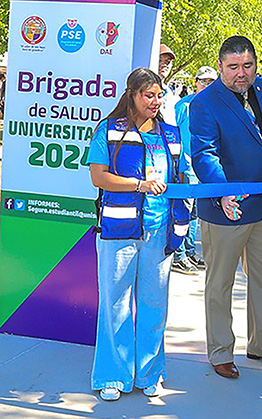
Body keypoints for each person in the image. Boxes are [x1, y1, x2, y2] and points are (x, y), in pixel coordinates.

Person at [190, 35, 262, 380]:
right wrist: (223, 191)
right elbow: (204, 153)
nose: (241, 73)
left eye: (247, 66)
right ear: (220, 66)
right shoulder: (204, 102)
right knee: (220, 282)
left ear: (256, 65)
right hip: (227, 208)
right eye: (233, 67)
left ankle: (261, 344)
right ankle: (220, 350)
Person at [88, 68, 190, 401]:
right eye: (148, 95)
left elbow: (183, 177)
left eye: (159, 95)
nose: (155, 101)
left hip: (160, 233)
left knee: (153, 304)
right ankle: (112, 376)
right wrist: (139, 185)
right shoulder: (109, 130)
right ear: (131, 94)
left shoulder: (171, 134)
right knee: (115, 304)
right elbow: (99, 178)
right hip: (119, 231)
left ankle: (149, 373)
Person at [171, 66, 217, 275]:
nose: (206, 85)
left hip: (205, 167)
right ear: (195, 82)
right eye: (203, 81)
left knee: (196, 212)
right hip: (186, 165)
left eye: (210, 81)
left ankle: (189, 251)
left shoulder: (218, 104)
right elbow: (174, 134)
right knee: (184, 210)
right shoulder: (184, 105)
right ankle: (178, 254)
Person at [158, 44, 178, 125]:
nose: (164, 64)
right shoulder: (141, 88)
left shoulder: (170, 94)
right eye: (160, 60)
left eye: (168, 62)